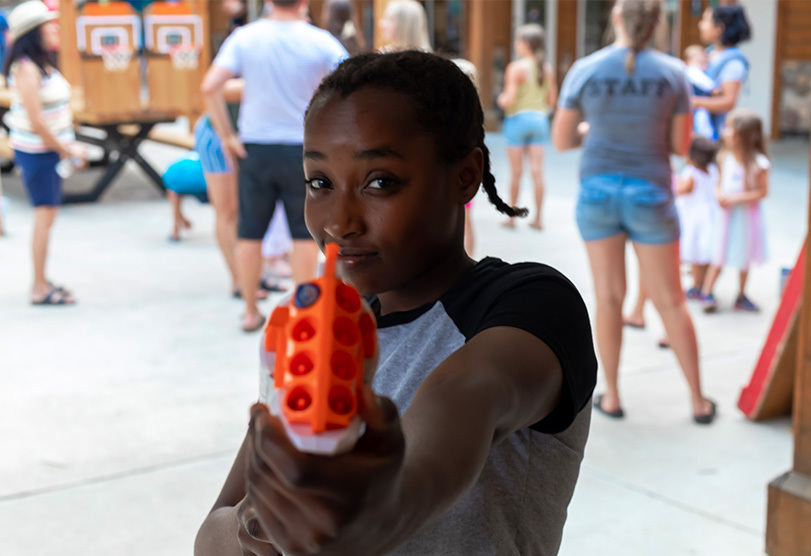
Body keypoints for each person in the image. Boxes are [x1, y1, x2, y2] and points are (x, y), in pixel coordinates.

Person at [194, 51, 597, 556]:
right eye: (320, 182)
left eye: (379, 181)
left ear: (465, 176)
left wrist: (378, 511)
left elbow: (465, 399)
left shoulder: (529, 304)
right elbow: (213, 534)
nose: (338, 222)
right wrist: (260, 523)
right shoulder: (307, 335)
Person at [552, 0, 716, 424]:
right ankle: (698, 401)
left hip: (598, 194)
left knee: (608, 298)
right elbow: (681, 147)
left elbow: (562, 139)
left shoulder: (585, 70)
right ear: (658, 23)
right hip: (651, 195)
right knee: (671, 302)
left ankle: (613, 396)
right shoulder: (674, 74)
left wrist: (593, 128)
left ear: (617, 18)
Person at [201, 0, 348, 332]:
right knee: (303, 234)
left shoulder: (245, 38)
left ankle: (251, 311)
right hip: (304, 148)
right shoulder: (321, 41)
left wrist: (228, 135)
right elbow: (354, 85)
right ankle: (303, 313)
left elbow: (210, 86)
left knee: (250, 232)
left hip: (256, 148)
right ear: (304, 2)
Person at [4, 1, 86, 305]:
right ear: (34, 32)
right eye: (49, 24)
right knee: (44, 215)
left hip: (49, 151)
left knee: (47, 216)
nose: (55, 28)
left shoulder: (42, 64)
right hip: (39, 153)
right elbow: (37, 121)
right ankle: (39, 287)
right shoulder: (26, 68)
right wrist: (67, 149)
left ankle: (41, 280)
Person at [700, 109, 768, 313]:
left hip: (746, 217)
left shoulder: (758, 164)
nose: (726, 132)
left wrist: (735, 199)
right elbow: (719, 183)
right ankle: (707, 291)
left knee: (744, 253)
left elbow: (762, 192)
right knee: (719, 252)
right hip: (726, 216)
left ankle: (741, 294)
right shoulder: (724, 157)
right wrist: (719, 194)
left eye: (731, 129)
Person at [497, 23, 557, 230]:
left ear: (525, 44)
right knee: (537, 172)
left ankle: (512, 217)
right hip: (539, 121)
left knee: (516, 172)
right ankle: (538, 218)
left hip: (517, 122)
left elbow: (510, 99)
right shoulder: (546, 69)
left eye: (517, 41)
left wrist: (501, 99)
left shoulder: (516, 68)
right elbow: (551, 102)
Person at [694, 4, 751, 140]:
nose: (700, 25)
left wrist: (694, 102)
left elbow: (729, 101)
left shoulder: (733, 62)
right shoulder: (709, 53)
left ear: (719, 28)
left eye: (705, 21)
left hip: (715, 132)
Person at [676, 136, 720, 300]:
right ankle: (703, 285)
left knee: (695, 254)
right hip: (711, 216)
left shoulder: (691, 173)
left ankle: (696, 285)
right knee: (705, 254)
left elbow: (682, 190)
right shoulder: (713, 170)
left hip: (694, 219)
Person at [683, 44, 718, 139]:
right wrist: (718, 91)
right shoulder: (693, 71)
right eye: (699, 62)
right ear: (688, 62)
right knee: (703, 127)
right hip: (698, 107)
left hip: (696, 106)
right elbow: (709, 86)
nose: (702, 64)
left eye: (704, 62)